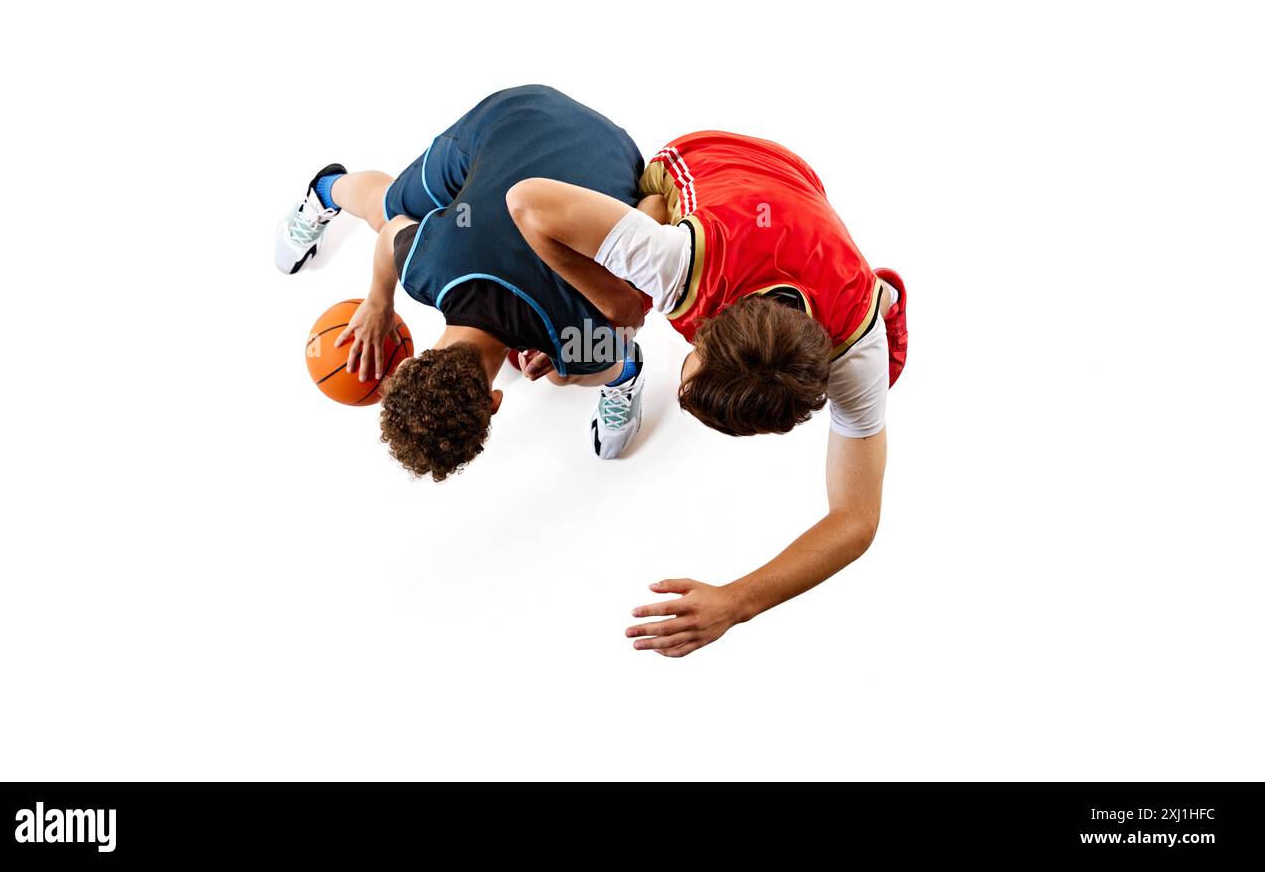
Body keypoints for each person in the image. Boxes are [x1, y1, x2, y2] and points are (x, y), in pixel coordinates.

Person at [506, 130, 909, 656]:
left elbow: (856, 521)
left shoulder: (857, 349)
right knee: (634, 244)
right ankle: (591, 321)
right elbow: (527, 200)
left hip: (798, 192)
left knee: (879, 379)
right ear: (711, 323)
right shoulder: (680, 264)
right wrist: (616, 307)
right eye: (688, 372)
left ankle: (589, 327)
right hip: (705, 157)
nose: (678, 385)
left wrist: (736, 602)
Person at [272, 85, 652, 478]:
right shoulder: (427, 267)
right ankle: (324, 193)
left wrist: (570, 357)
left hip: (619, 158)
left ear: (494, 402)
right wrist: (380, 301)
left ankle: (322, 192)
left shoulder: (576, 345)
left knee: (563, 374)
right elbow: (390, 235)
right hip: (522, 109)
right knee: (391, 212)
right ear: (408, 364)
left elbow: (625, 333)